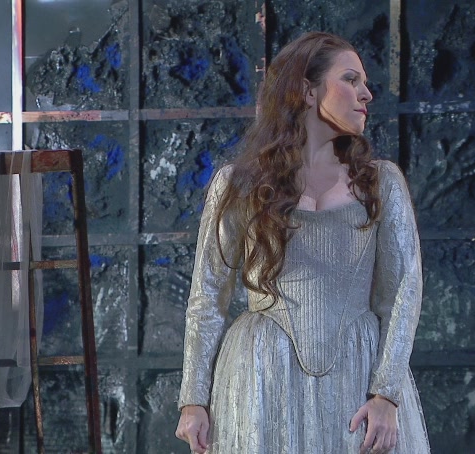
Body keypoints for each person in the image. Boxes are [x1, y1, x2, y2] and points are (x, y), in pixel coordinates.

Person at [174, 31, 430, 454]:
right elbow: (208, 296)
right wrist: (193, 400)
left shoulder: (380, 183)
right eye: (350, 79)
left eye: (364, 83)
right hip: (262, 375)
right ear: (308, 91)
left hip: (356, 372)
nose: (366, 94)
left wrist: (386, 394)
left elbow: (403, 292)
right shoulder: (239, 184)